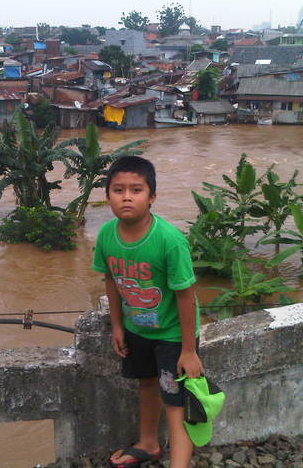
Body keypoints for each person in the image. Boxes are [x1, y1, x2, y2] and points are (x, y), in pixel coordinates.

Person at [91, 156, 203, 468]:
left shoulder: (169, 241)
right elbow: (111, 280)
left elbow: (185, 295)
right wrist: (117, 325)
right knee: (147, 384)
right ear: (108, 196)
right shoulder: (106, 236)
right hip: (137, 331)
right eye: (118, 189)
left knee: (176, 401)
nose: (126, 196)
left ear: (151, 197)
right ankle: (148, 443)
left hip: (172, 336)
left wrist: (188, 350)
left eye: (136, 190)